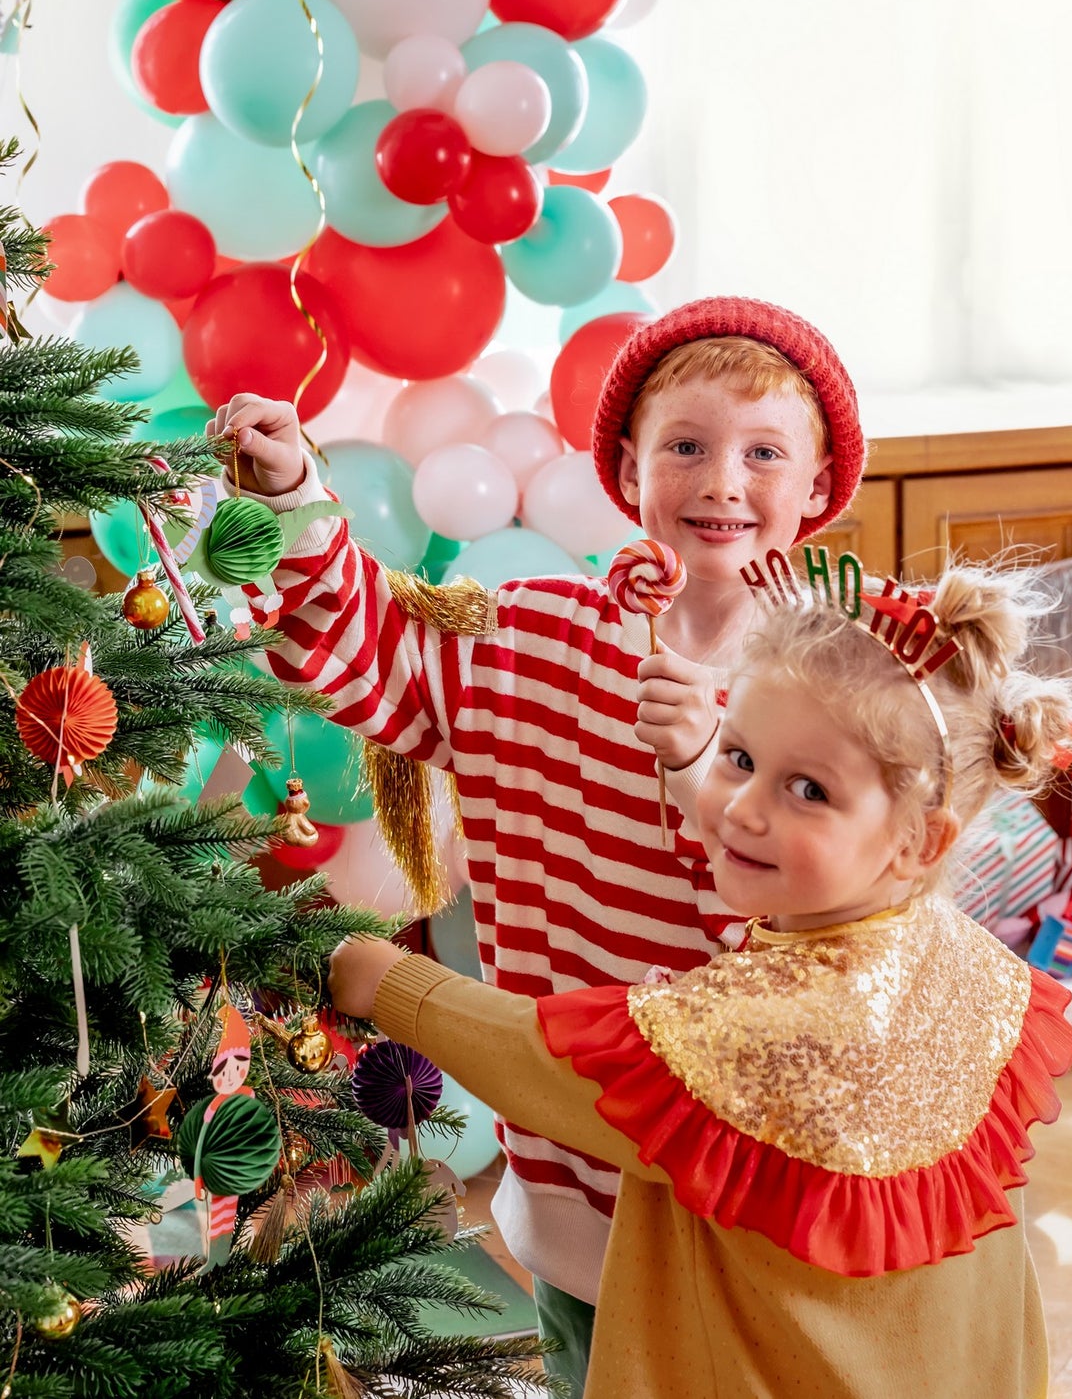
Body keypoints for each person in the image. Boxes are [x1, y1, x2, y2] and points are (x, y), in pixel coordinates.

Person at [209, 298, 865, 1394]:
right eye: (686, 447)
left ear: (814, 489)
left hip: (756, 1201)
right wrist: (290, 494)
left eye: (762, 454)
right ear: (626, 464)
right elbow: (361, 654)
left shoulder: (839, 677)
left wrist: (714, 762)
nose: (720, 483)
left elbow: (853, 914)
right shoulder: (530, 634)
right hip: (570, 1197)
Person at [329, 558, 1072, 1399]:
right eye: (738, 755)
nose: (743, 808)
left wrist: (390, 981)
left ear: (920, 841)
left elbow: (551, 1059)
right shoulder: (970, 962)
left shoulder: (780, 1018)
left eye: (809, 789)